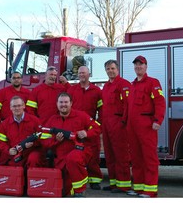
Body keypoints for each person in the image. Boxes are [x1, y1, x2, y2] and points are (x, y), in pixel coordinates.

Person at [42, 92, 101, 197]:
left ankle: (80, 191)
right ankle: (74, 188)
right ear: (57, 104)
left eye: (66, 102)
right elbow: (45, 140)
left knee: (72, 159)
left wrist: (86, 133)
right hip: (61, 157)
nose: (63, 105)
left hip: (80, 152)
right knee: (64, 191)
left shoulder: (81, 116)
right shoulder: (52, 120)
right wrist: (56, 140)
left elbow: (96, 127)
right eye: (61, 102)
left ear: (71, 103)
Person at [126, 55, 166, 198]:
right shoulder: (132, 85)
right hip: (132, 127)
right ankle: (138, 187)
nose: (138, 67)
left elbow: (160, 103)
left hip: (146, 126)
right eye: (136, 65)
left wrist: (158, 120)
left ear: (146, 66)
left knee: (149, 157)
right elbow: (128, 107)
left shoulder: (152, 83)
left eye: (141, 65)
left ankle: (150, 189)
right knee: (136, 158)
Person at [67, 66, 103, 190]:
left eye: (84, 73)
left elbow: (101, 109)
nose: (82, 75)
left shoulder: (96, 90)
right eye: (80, 73)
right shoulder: (72, 90)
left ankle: (95, 180)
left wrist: (98, 124)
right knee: (74, 152)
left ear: (89, 74)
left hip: (90, 125)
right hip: (75, 126)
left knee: (93, 153)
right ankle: (77, 178)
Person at [101, 60, 132, 193]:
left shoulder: (124, 84)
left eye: (112, 68)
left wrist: (123, 122)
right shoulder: (106, 86)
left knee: (121, 155)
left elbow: (128, 105)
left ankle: (124, 185)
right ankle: (114, 183)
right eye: (108, 69)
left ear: (117, 69)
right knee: (109, 155)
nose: (110, 71)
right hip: (107, 125)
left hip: (118, 124)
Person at [0, 96, 46, 168]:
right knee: (15, 170)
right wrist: (8, 150)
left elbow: (42, 137)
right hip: (16, 154)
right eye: (14, 106)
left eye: (19, 105)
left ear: (24, 106)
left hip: (32, 152)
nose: (17, 108)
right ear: (10, 107)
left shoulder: (34, 120)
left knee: (33, 159)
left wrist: (33, 144)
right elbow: (0, 141)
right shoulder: (4, 124)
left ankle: (32, 179)